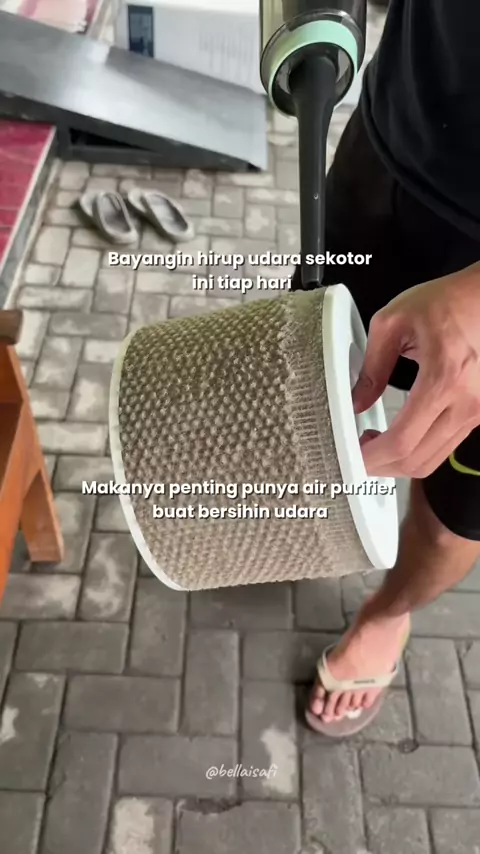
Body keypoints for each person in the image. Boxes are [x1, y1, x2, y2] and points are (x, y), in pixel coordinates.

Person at [292, 0, 480, 736]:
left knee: (452, 520)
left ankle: (386, 613)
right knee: (309, 393)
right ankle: (306, 528)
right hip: (395, 144)